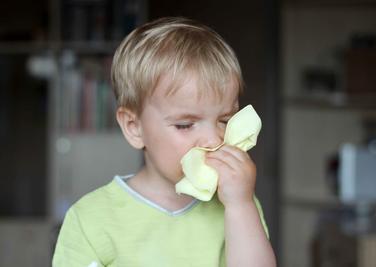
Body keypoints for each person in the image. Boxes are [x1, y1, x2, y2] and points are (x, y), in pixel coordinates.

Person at [52, 17, 276, 267]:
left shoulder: (237, 203)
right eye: (185, 124)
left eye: (224, 120)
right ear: (134, 128)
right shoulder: (90, 220)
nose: (214, 140)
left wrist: (240, 205)